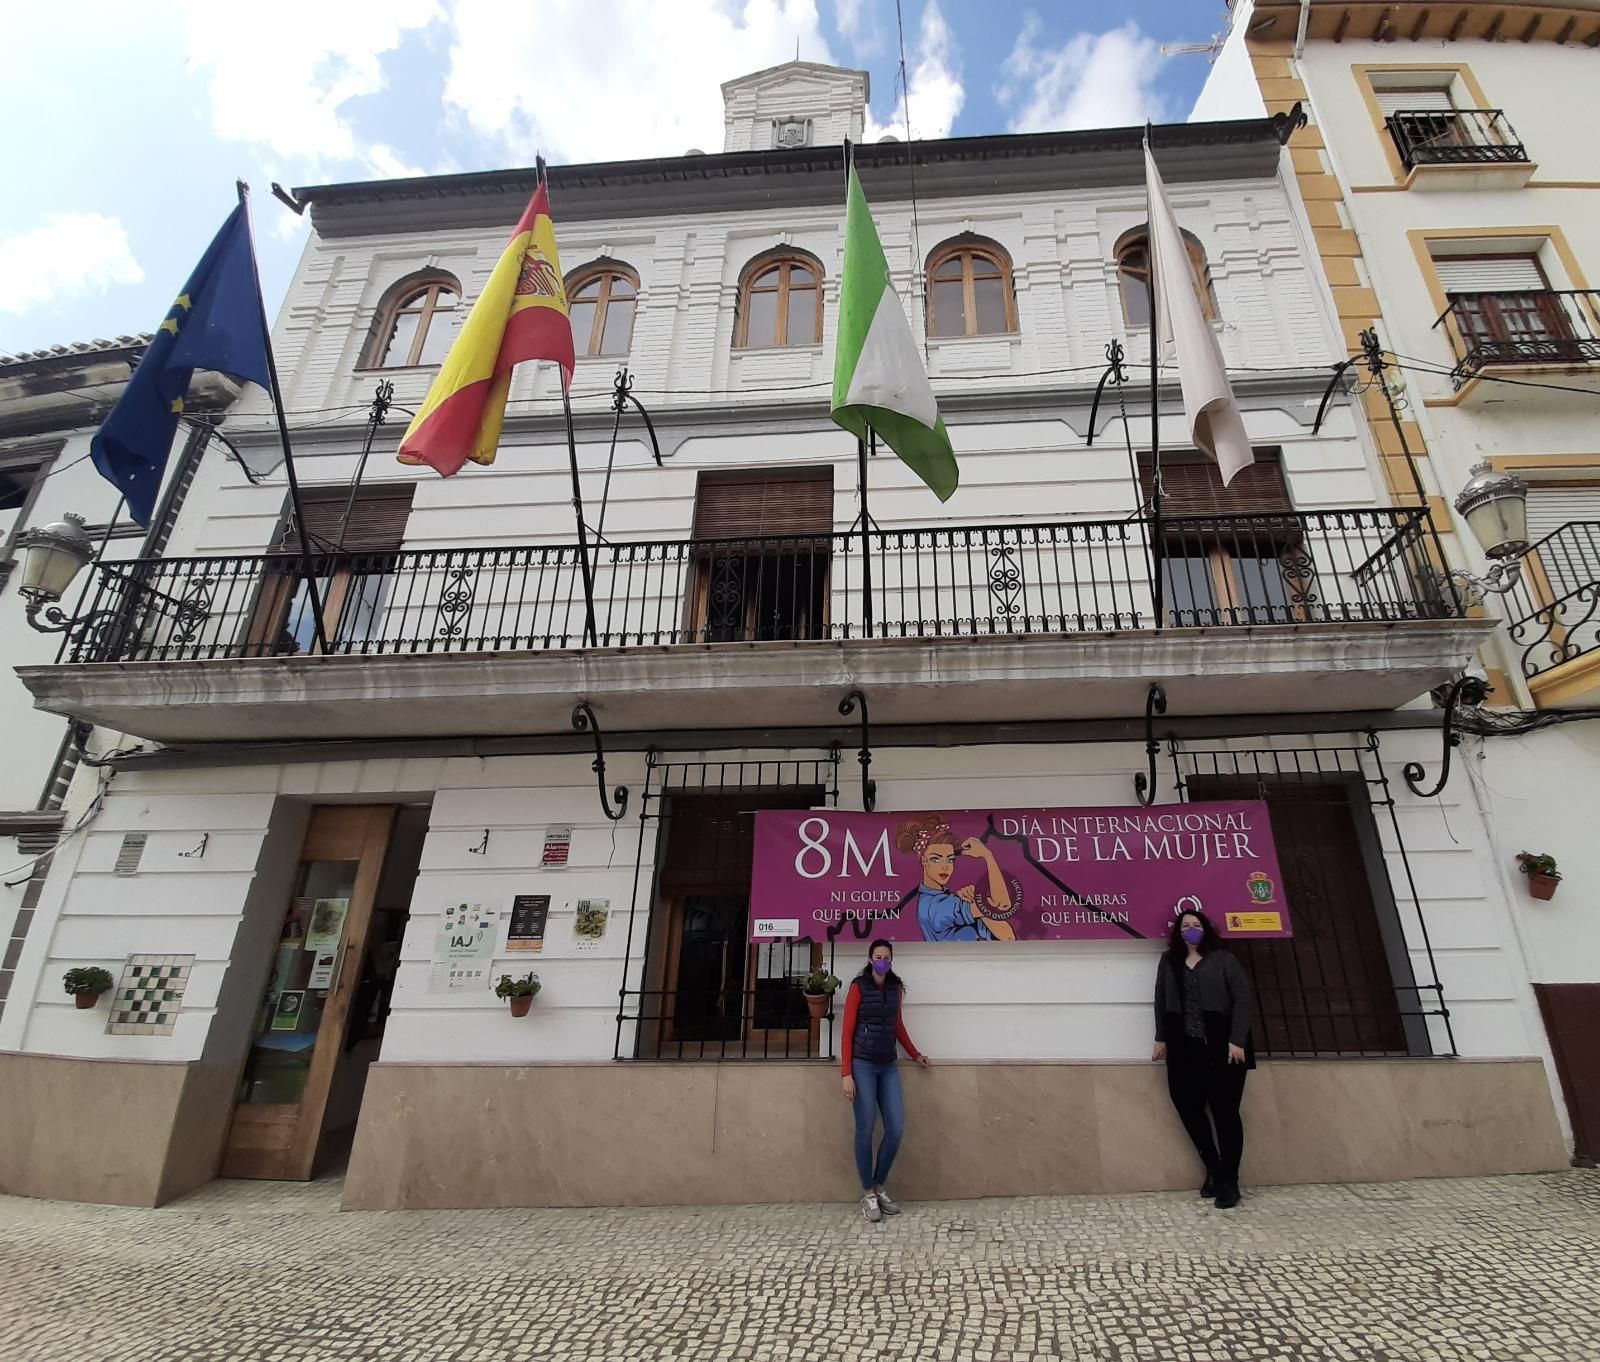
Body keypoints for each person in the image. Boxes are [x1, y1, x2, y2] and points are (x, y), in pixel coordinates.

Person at [1151, 902, 1256, 1210]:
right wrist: (1160, 1038)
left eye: (1196, 925)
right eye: (1185, 926)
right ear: (1177, 932)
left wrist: (1237, 1040)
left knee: (1226, 1114)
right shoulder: (1169, 961)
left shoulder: (1223, 960)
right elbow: (1160, 1000)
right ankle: (1213, 1167)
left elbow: (1243, 998)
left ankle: (1230, 1181)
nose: (1191, 930)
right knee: (1187, 1107)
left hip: (1223, 1048)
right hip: (1183, 1048)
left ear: (1206, 929)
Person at [841, 939, 930, 1222]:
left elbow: (897, 1025)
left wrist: (915, 1054)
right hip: (862, 1065)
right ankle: (868, 1193)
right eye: (878, 957)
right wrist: (846, 1074)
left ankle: (879, 1186)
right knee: (865, 1129)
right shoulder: (858, 987)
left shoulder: (895, 988)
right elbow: (847, 1031)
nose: (882, 961)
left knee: (896, 1129)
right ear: (870, 960)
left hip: (888, 1065)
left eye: (886, 957)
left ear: (891, 960)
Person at [895, 813, 1017, 942]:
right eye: (936, 859)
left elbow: (1008, 937)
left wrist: (976, 902)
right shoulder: (935, 906)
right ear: (924, 861)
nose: (945, 867)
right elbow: (1001, 905)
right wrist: (987, 856)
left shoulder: (949, 899)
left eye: (950, 860)